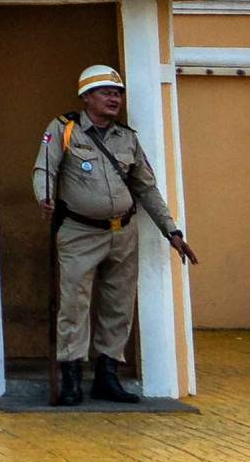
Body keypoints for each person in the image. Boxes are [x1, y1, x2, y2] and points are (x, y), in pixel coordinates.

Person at [33, 62, 197, 407]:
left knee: (118, 305)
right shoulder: (64, 129)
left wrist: (173, 231)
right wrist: (43, 197)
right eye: (107, 92)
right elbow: (44, 167)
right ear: (87, 96)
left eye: (118, 93)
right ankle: (71, 378)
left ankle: (107, 376)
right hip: (79, 232)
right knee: (74, 304)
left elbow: (147, 188)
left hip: (123, 232)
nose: (115, 98)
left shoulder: (127, 138)